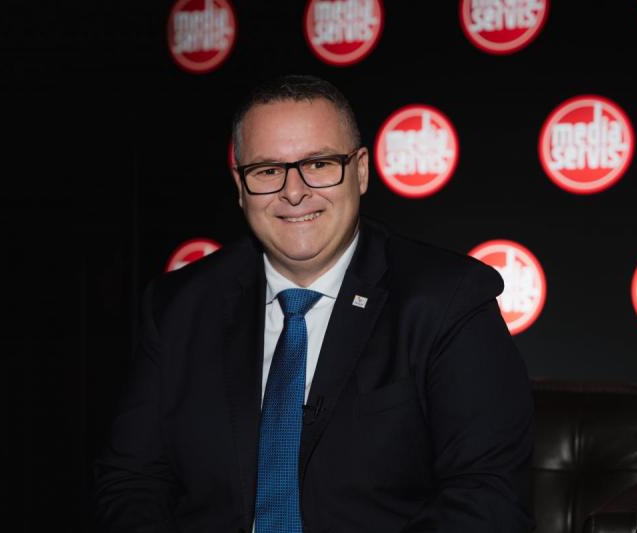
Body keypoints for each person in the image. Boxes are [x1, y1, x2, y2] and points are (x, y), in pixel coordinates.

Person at [93, 75, 534, 533]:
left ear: (360, 171)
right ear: (240, 186)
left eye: (319, 164)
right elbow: (131, 483)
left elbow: (488, 498)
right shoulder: (178, 308)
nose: (294, 191)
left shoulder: (447, 300)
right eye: (268, 171)